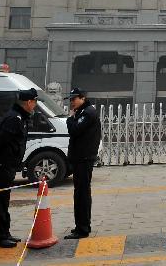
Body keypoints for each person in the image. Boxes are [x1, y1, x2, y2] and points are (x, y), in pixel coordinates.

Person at [0, 88, 37, 248]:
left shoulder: (19, 117)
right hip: (2, 166)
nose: (34, 106)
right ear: (29, 102)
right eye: (34, 103)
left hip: (7, 165)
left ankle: (4, 232)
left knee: (4, 201)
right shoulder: (14, 118)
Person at [63, 88, 101, 239]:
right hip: (80, 158)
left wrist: (69, 119)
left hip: (84, 159)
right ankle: (81, 225)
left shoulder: (88, 113)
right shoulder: (82, 112)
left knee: (82, 194)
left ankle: (83, 228)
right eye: (70, 99)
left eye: (74, 99)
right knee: (80, 193)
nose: (72, 102)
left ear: (83, 98)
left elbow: (75, 130)